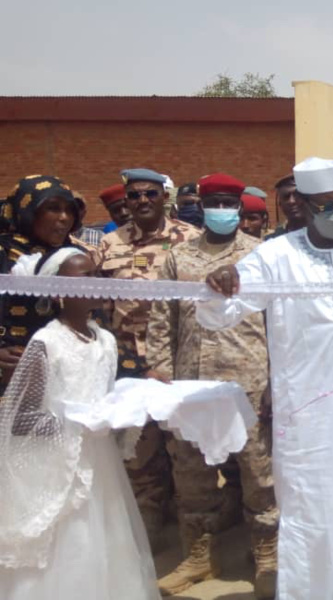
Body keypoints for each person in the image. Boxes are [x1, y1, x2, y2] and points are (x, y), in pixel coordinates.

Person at [198, 158, 333, 599]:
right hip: (311, 413)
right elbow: (219, 316)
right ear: (303, 204)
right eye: (328, 205)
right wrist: (216, 286)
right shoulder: (275, 256)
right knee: (315, 511)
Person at [146, 173, 278, 598]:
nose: (222, 209)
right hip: (192, 384)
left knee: (258, 473)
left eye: (229, 202)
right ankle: (200, 556)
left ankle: (267, 552)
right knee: (192, 472)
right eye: (214, 202)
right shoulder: (178, 257)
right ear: (201, 207)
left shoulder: (260, 256)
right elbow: (161, 317)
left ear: (240, 208)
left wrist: (278, 381)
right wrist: (160, 370)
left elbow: (279, 324)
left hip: (249, 383)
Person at [0, 249, 159, 600]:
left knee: (104, 537)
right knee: (70, 541)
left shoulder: (105, 340)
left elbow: (104, 396)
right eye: (83, 277)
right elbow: (21, 420)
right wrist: (77, 423)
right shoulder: (46, 343)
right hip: (58, 466)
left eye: (96, 274)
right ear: (58, 290)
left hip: (98, 462)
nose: (95, 283)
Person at [95, 168, 200, 546]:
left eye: (150, 194)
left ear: (164, 199)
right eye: (135, 196)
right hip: (128, 361)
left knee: (183, 445)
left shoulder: (190, 239)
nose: (142, 201)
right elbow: (97, 302)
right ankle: (148, 528)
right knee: (139, 447)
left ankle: (193, 529)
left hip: (176, 358)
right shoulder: (110, 244)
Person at [0, 176, 85, 395]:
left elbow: (95, 316)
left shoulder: (75, 258)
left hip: (62, 377)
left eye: (69, 210)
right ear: (26, 210)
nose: (64, 218)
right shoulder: (4, 253)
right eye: (53, 209)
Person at [264, 174, 307, 240]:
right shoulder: (272, 241)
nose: (291, 201)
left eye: (297, 195)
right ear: (280, 204)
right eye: (286, 197)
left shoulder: (325, 236)